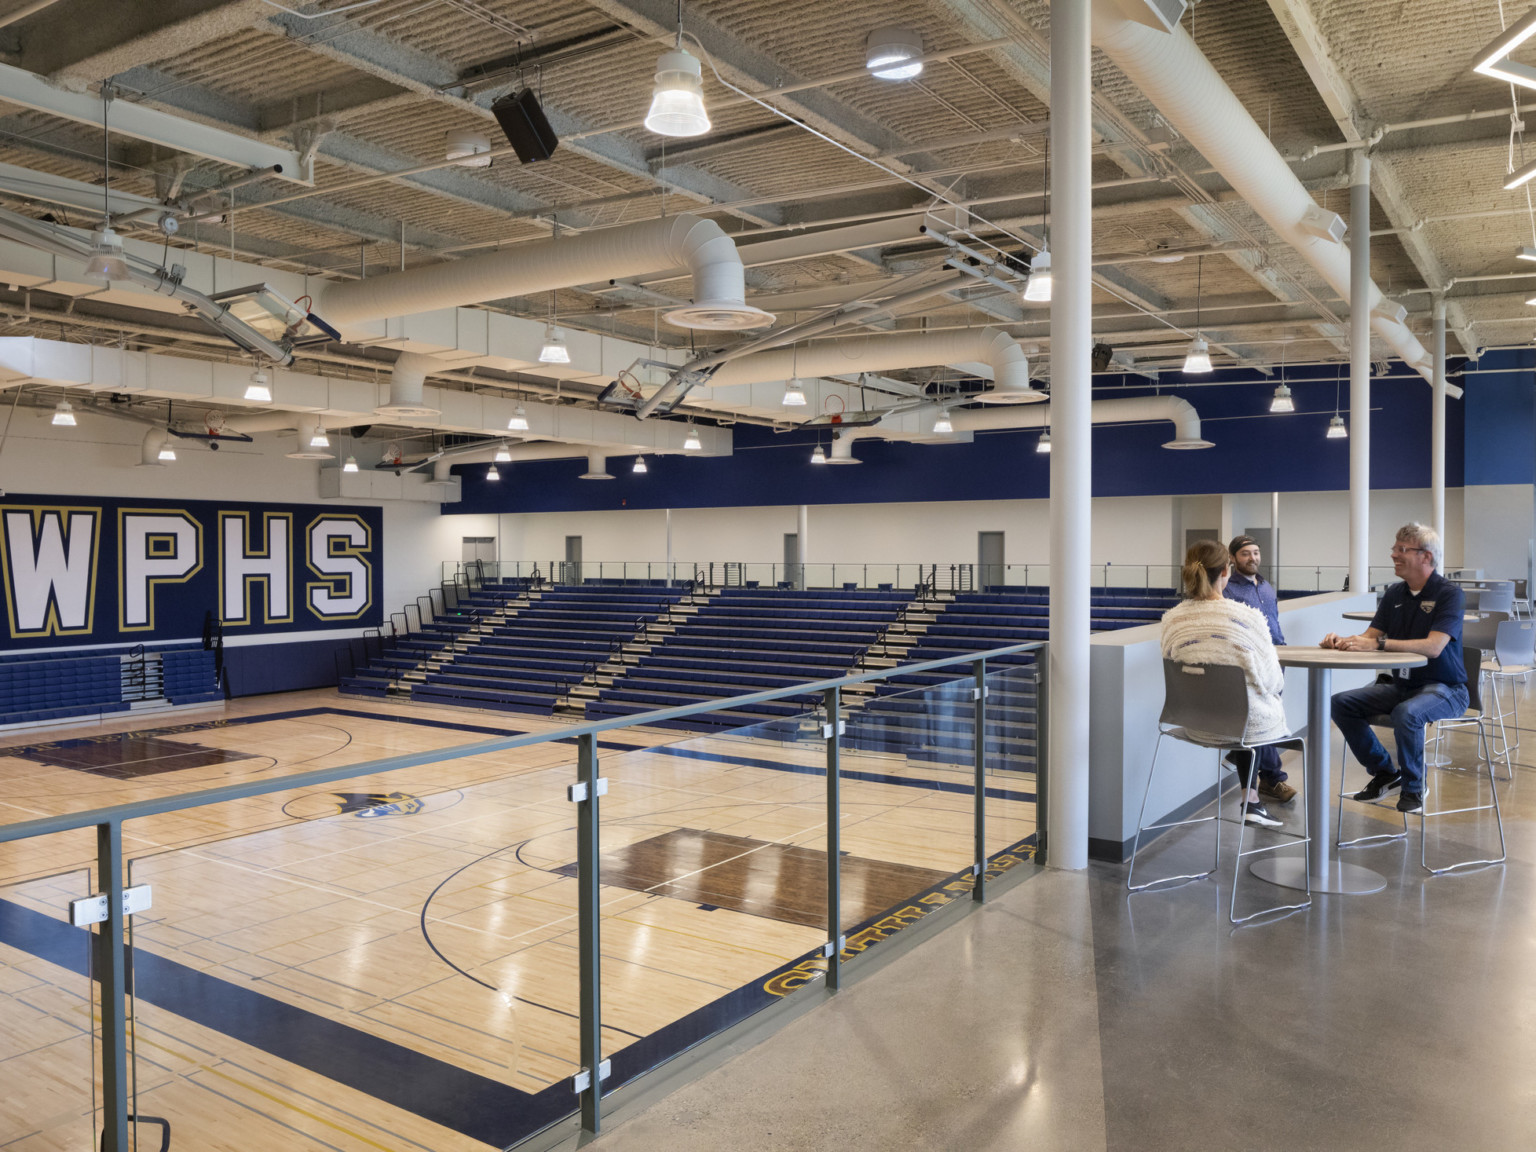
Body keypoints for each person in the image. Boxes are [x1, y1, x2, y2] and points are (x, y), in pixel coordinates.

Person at [1322, 522, 1467, 815]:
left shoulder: (1449, 594)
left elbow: (1434, 647)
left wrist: (1379, 645)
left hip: (1447, 689)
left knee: (1407, 714)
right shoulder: (1394, 594)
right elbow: (1370, 637)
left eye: (1402, 550)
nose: (1394, 556)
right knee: (1341, 704)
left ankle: (1415, 787)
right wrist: (1344, 641)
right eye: (1394, 549)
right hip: (1404, 687)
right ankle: (1387, 773)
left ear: (1426, 557)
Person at [1162, 539, 1289, 828]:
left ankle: (1252, 798)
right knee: (1258, 705)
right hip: (1244, 725)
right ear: (1226, 571)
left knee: (1244, 706)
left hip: (1192, 721)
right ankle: (1252, 800)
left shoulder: (1171, 619)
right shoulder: (1246, 617)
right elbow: (1272, 680)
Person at [1222, 534, 1296, 805]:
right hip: (1253, 664)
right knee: (1264, 720)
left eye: (1255, 552)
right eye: (1245, 554)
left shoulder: (1266, 587)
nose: (1252, 558)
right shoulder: (1228, 590)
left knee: (1270, 718)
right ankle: (1274, 778)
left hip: (1277, 659)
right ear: (1232, 558)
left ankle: (1257, 771)